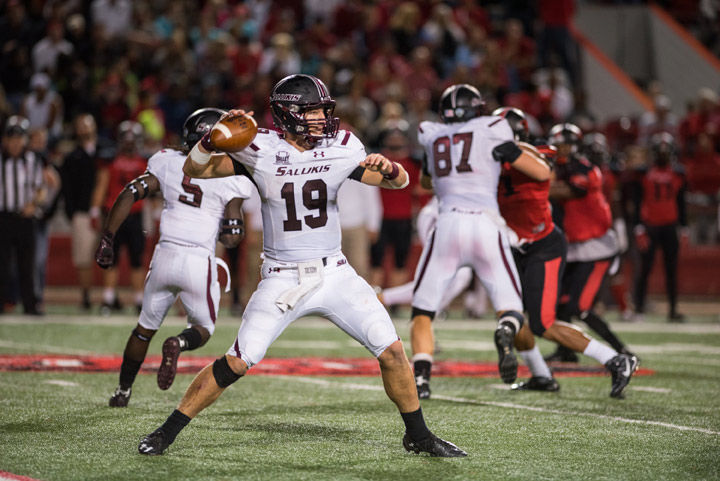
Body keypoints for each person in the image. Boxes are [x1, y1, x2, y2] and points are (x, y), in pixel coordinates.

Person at [138, 74, 465, 457]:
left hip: (335, 272)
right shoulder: (257, 147)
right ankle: (167, 431)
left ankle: (419, 435)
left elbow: (400, 181)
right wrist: (209, 142)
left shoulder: (342, 146)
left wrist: (390, 169)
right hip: (282, 278)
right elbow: (195, 170)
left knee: (392, 351)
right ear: (289, 113)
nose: (322, 119)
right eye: (313, 111)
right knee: (237, 361)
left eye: (324, 111)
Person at [97, 108, 255, 407]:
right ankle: (178, 343)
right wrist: (228, 233)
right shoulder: (232, 174)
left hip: (165, 255)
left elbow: (131, 191)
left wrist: (107, 237)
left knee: (144, 329)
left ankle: (122, 391)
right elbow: (233, 236)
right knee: (204, 329)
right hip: (198, 260)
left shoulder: (167, 161)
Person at [408, 85, 554, 399]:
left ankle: (421, 379)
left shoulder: (432, 135)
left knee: (423, 310)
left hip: (447, 223)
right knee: (511, 308)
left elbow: (424, 183)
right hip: (487, 224)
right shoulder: (493, 129)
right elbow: (541, 173)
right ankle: (507, 332)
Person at [494, 107, 639, 397]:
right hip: (514, 245)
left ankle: (615, 359)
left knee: (544, 323)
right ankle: (541, 375)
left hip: (541, 245)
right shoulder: (489, 161)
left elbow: (544, 164)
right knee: (511, 314)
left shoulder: (537, 155)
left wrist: (507, 149)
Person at [546, 123, 633, 362]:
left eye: (563, 144)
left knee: (580, 307)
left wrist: (537, 187)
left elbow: (571, 190)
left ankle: (621, 351)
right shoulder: (556, 168)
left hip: (595, 247)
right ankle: (565, 352)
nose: (559, 149)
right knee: (558, 306)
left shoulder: (585, 168)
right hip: (573, 247)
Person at [90, 120, 148, 314]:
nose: (130, 144)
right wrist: (95, 210)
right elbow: (102, 185)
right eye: (127, 140)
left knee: (136, 259)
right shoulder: (111, 161)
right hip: (114, 214)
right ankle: (108, 298)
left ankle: (138, 299)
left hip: (135, 213)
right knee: (111, 259)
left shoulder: (145, 162)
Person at [61, 114, 115, 310]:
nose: (84, 130)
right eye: (80, 126)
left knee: (109, 256)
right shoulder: (72, 157)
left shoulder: (107, 149)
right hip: (83, 212)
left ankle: (109, 297)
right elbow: (66, 188)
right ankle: (86, 296)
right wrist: (72, 212)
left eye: (87, 125)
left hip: (108, 212)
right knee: (83, 258)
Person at [632, 133, 687, 322]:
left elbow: (681, 201)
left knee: (671, 269)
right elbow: (637, 200)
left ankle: (672, 310)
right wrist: (638, 226)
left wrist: (684, 226)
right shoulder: (643, 173)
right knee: (645, 268)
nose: (663, 154)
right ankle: (639, 308)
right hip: (651, 226)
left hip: (670, 225)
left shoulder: (678, 173)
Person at [0, 116, 46, 315]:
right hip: (3, 216)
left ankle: (30, 305)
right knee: (2, 263)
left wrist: (34, 204)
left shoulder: (34, 160)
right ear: (5, 140)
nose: (16, 142)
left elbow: (41, 189)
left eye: (20, 138)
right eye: (12, 138)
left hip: (26, 218)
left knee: (27, 264)